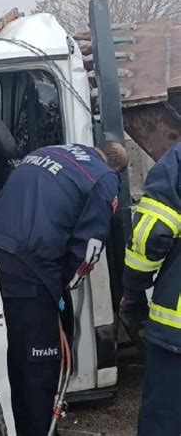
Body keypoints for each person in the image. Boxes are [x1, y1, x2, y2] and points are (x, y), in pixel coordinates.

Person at [0, 142, 128, 435]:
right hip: (32, 269)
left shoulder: (46, 152)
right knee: (41, 363)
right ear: (117, 169)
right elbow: (89, 249)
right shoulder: (104, 177)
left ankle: (17, 426)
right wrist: (63, 288)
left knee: (10, 353)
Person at [120, 142, 181, 436]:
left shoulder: (179, 159)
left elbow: (150, 234)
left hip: (177, 331)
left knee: (165, 420)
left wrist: (133, 290)